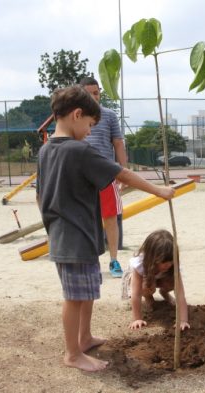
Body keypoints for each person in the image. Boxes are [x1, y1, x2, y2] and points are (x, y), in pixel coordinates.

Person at [36, 85, 174, 372]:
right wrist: (158, 191)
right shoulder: (79, 150)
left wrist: (52, 225)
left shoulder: (46, 150)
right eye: (89, 124)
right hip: (73, 236)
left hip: (72, 234)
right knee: (74, 297)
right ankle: (72, 353)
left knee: (85, 291)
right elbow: (121, 173)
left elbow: (40, 196)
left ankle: (84, 338)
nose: (89, 131)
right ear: (76, 115)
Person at [80, 76, 127, 278]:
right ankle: (90, 261)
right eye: (88, 93)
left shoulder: (108, 116)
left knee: (110, 217)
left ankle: (114, 259)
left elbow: (118, 143)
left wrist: (123, 172)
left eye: (96, 93)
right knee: (85, 218)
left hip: (105, 174)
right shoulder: (77, 116)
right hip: (82, 175)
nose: (93, 97)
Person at [126, 229, 190, 331]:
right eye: (164, 262)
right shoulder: (140, 264)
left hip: (160, 277)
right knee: (146, 287)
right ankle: (148, 297)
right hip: (144, 279)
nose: (168, 265)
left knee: (172, 282)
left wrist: (183, 320)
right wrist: (137, 319)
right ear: (153, 258)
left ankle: (164, 293)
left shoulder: (172, 266)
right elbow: (136, 294)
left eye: (171, 261)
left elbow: (180, 294)